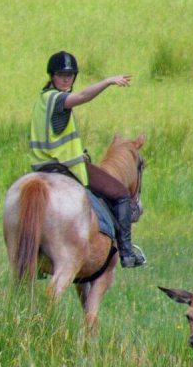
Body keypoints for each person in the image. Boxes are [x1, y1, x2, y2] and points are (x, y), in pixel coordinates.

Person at [29, 50, 145, 268]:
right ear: (52, 76)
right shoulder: (58, 99)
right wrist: (107, 81)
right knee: (120, 194)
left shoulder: (42, 100)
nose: (66, 79)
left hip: (39, 167)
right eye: (61, 75)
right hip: (66, 168)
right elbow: (82, 97)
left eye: (70, 75)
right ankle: (127, 253)